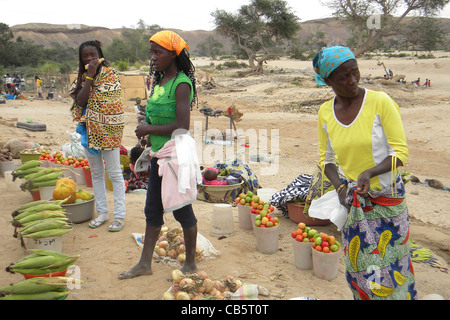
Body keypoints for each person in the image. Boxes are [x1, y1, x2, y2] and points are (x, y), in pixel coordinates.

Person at [313, 46, 417, 300]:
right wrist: (340, 188)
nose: (353, 81)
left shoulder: (380, 102)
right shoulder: (325, 112)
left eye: (355, 72)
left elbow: (400, 152)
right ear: (327, 81)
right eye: (343, 77)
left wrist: (369, 173)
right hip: (355, 203)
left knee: (394, 267)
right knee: (361, 268)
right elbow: (325, 161)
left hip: (388, 200)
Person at [119, 30, 200, 279]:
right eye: (151, 53)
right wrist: (146, 129)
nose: (153, 58)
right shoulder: (157, 83)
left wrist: (149, 128)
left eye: (158, 52)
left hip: (176, 156)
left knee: (181, 210)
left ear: (173, 54)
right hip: (157, 155)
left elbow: (182, 125)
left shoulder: (181, 83)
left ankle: (191, 264)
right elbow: (155, 119)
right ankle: (145, 263)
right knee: (152, 209)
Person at [69, 40, 126, 232]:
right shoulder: (82, 77)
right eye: (85, 56)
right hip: (89, 131)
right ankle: (102, 213)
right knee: (96, 174)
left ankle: (119, 216)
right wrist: (90, 77)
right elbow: (80, 100)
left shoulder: (111, 74)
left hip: (110, 131)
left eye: (92, 55)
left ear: (99, 54)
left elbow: (113, 104)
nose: (90, 59)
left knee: (115, 174)